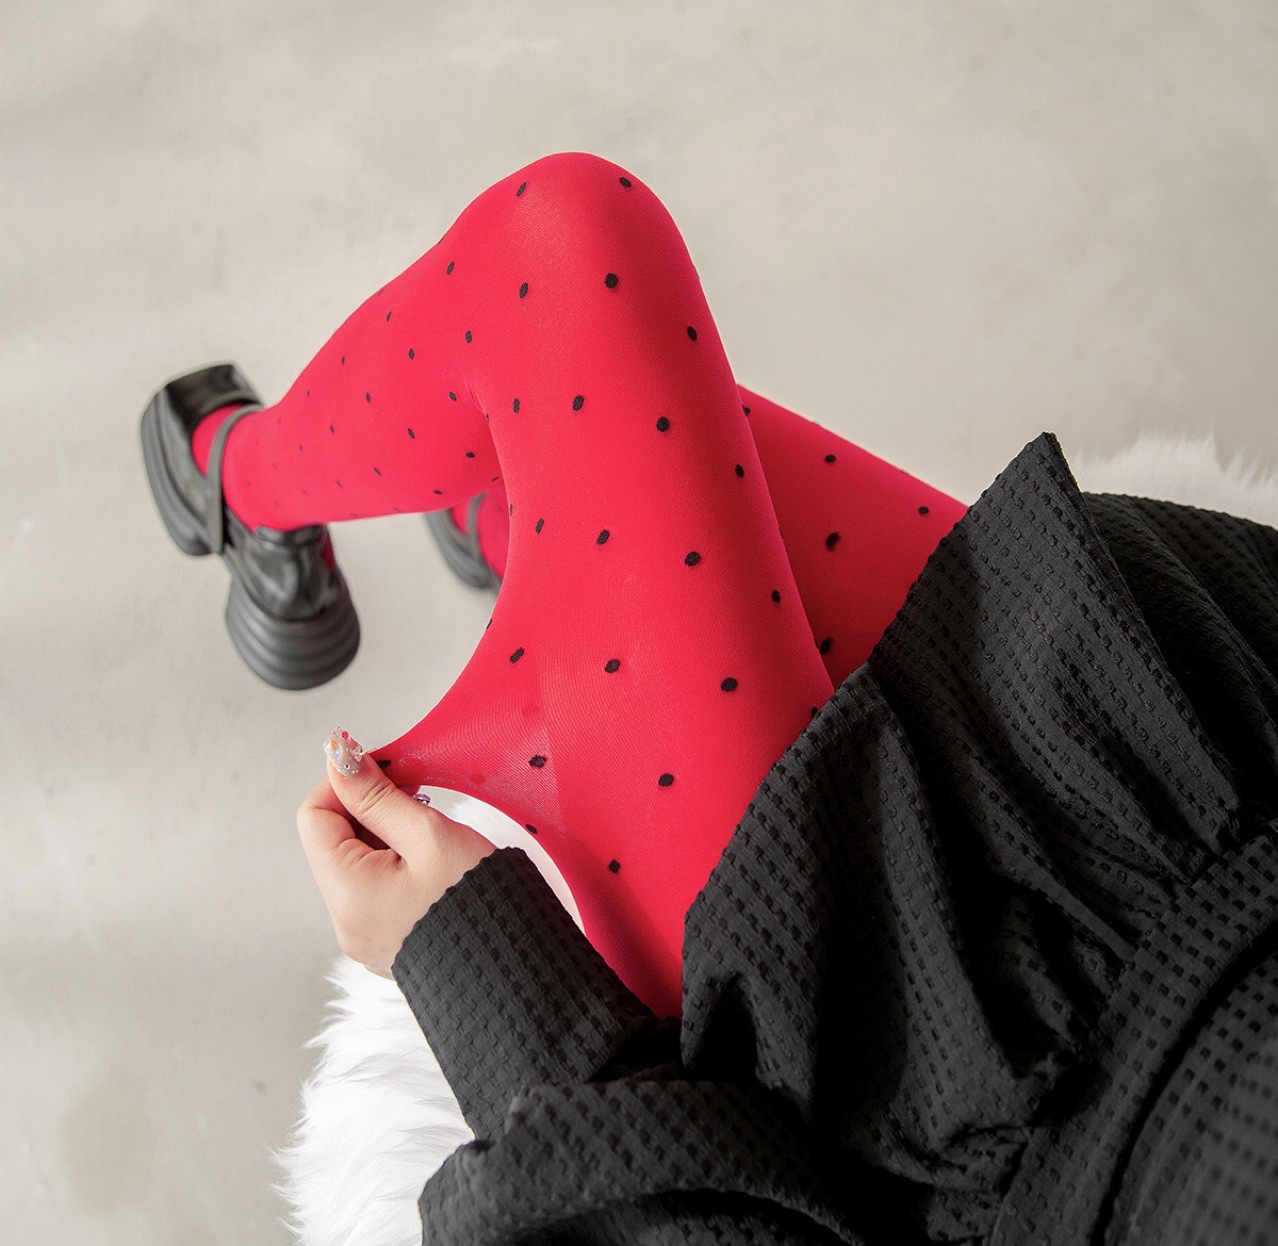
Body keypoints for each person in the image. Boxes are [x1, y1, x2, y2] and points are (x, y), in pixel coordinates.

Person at [143, 154, 1278, 1243]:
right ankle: (511, 526)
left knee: (564, 251)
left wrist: (466, 956)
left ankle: (240, 485)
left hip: (933, 1082)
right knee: (627, 431)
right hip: (1185, 765)